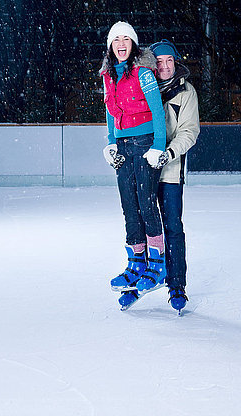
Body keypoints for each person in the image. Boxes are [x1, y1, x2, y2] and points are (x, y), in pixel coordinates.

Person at [99, 22, 169, 309]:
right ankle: (136, 261)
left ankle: (158, 264)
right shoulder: (107, 75)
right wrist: (111, 141)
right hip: (123, 146)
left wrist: (158, 145)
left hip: (144, 142)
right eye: (117, 39)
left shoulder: (143, 73)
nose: (121, 42)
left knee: (146, 202)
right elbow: (108, 112)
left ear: (134, 44)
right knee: (129, 204)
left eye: (126, 38)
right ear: (110, 45)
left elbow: (157, 111)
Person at [149, 39, 200, 313]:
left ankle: (176, 284)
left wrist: (168, 153)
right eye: (159, 62)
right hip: (144, 171)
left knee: (172, 227)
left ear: (176, 62)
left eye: (169, 61)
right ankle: (141, 278)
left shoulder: (186, 92)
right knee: (145, 227)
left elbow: (189, 131)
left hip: (169, 172)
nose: (165, 66)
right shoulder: (144, 88)